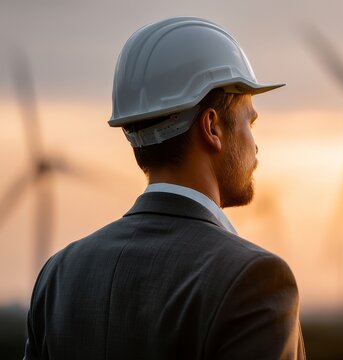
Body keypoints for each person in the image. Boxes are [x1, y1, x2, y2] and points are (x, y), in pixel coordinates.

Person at [24, 16, 305, 359]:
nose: (255, 146)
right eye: (251, 121)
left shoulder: (60, 275)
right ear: (212, 127)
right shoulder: (254, 280)